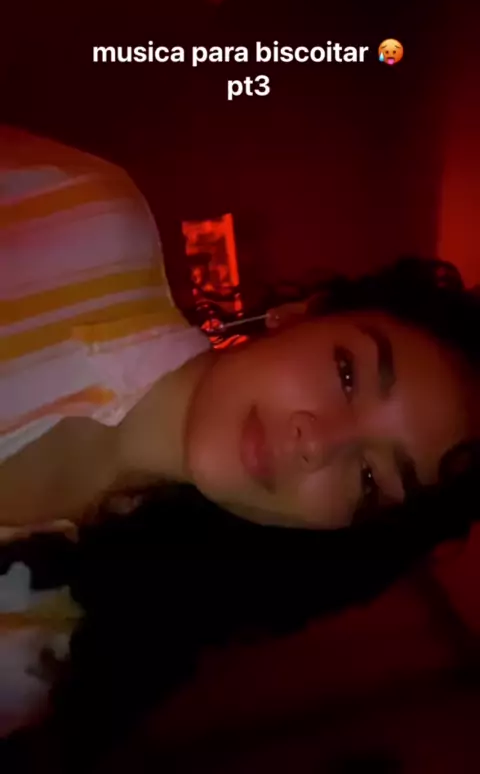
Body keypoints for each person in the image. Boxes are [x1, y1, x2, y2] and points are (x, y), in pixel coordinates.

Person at [2, 127, 480, 762]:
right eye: (347, 374)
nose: (319, 442)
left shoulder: (57, 645)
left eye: (370, 479)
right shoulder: (81, 223)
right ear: (298, 315)